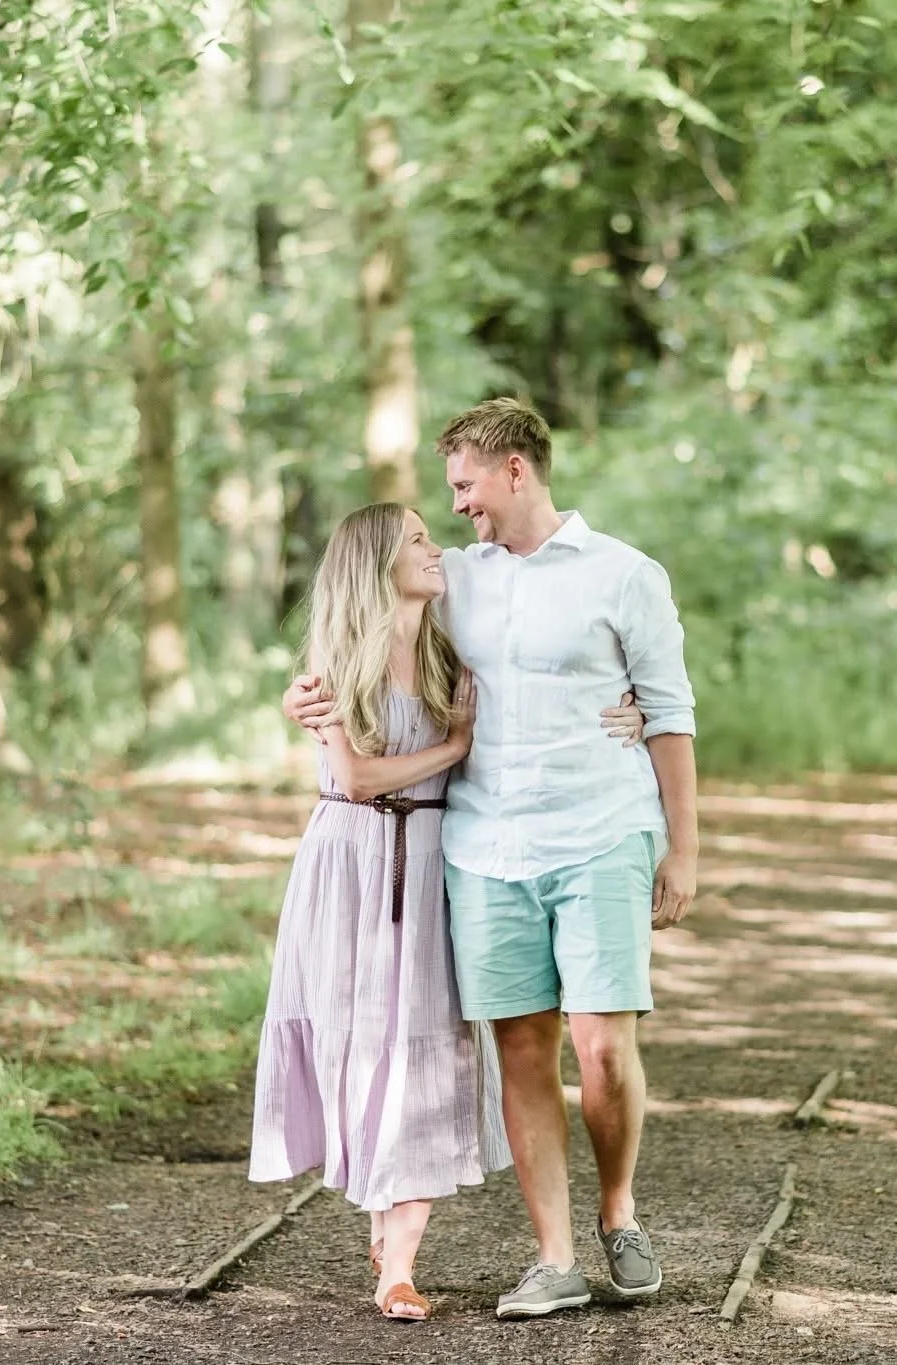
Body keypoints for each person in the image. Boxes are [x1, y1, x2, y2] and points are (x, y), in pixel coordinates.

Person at [283, 397, 698, 1320]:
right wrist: (302, 693)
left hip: (601, 834)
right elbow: (364, 618)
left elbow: (669, 711)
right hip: (484, 846)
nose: (459, 508)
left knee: (601, 1048)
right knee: (520, 1047)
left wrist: (684, 848)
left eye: (466, 486)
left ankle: (618, 1212)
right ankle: (554, 1258)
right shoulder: (454, 579)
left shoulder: (624, 575)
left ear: (516, 470)